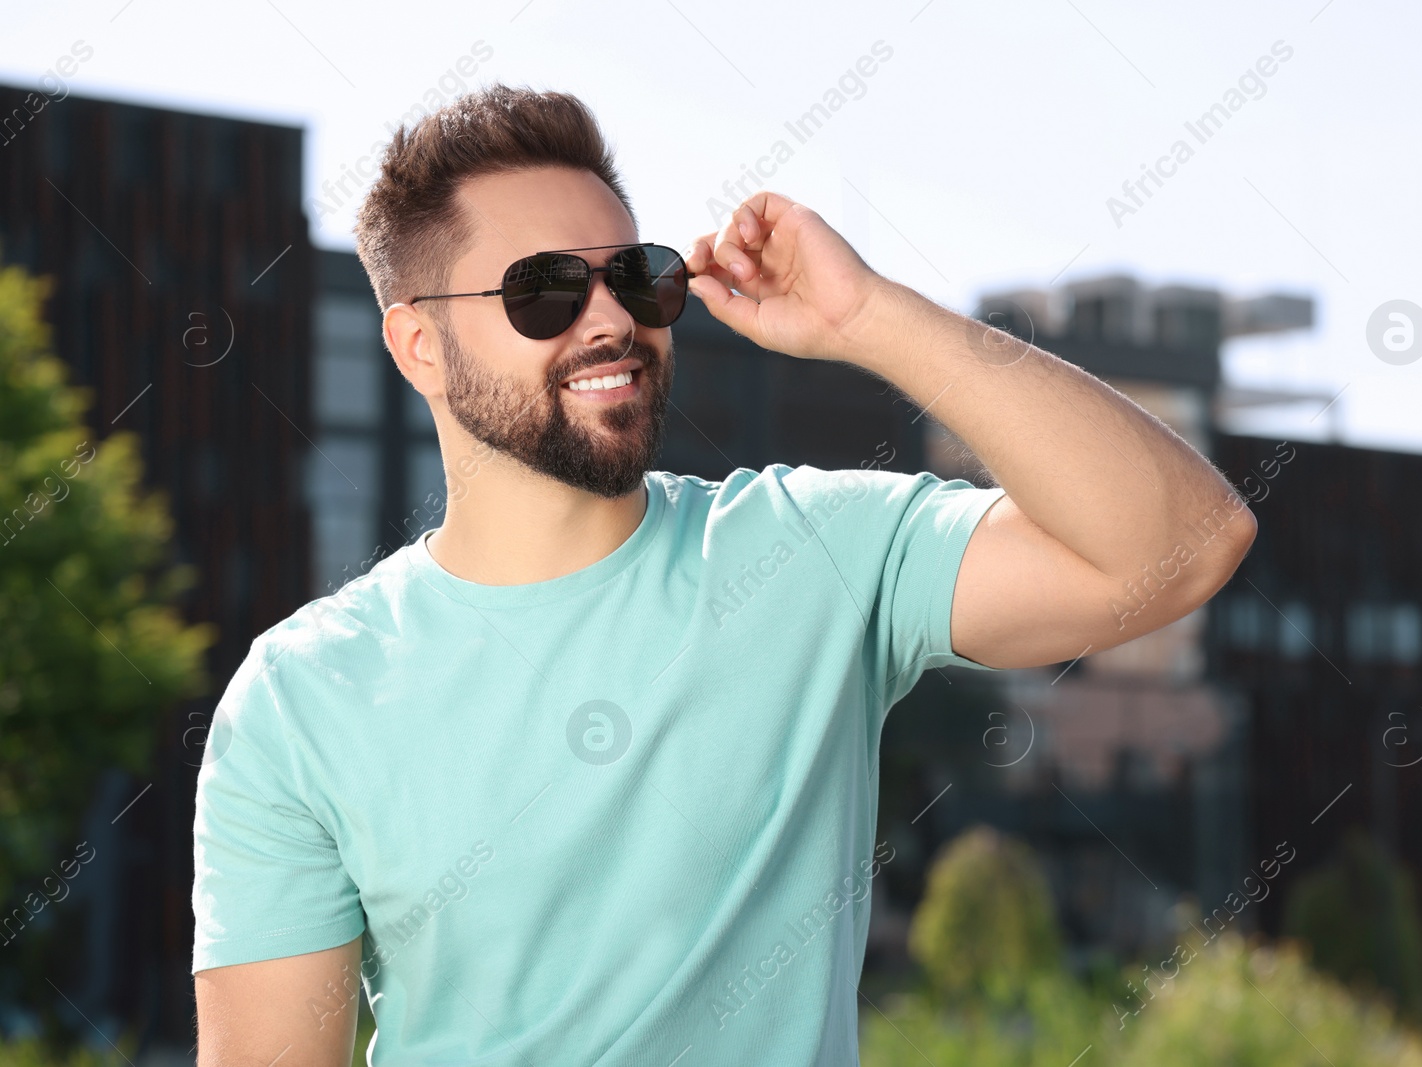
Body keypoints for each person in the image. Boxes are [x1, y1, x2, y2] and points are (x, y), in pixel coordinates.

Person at [191, 84, 1256, 1066]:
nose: (609, 318)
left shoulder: (812, 553)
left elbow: (1185, 543)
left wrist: (867, 318)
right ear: (418, 345)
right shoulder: (300, 697)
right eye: (546, 289)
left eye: (636, 277)